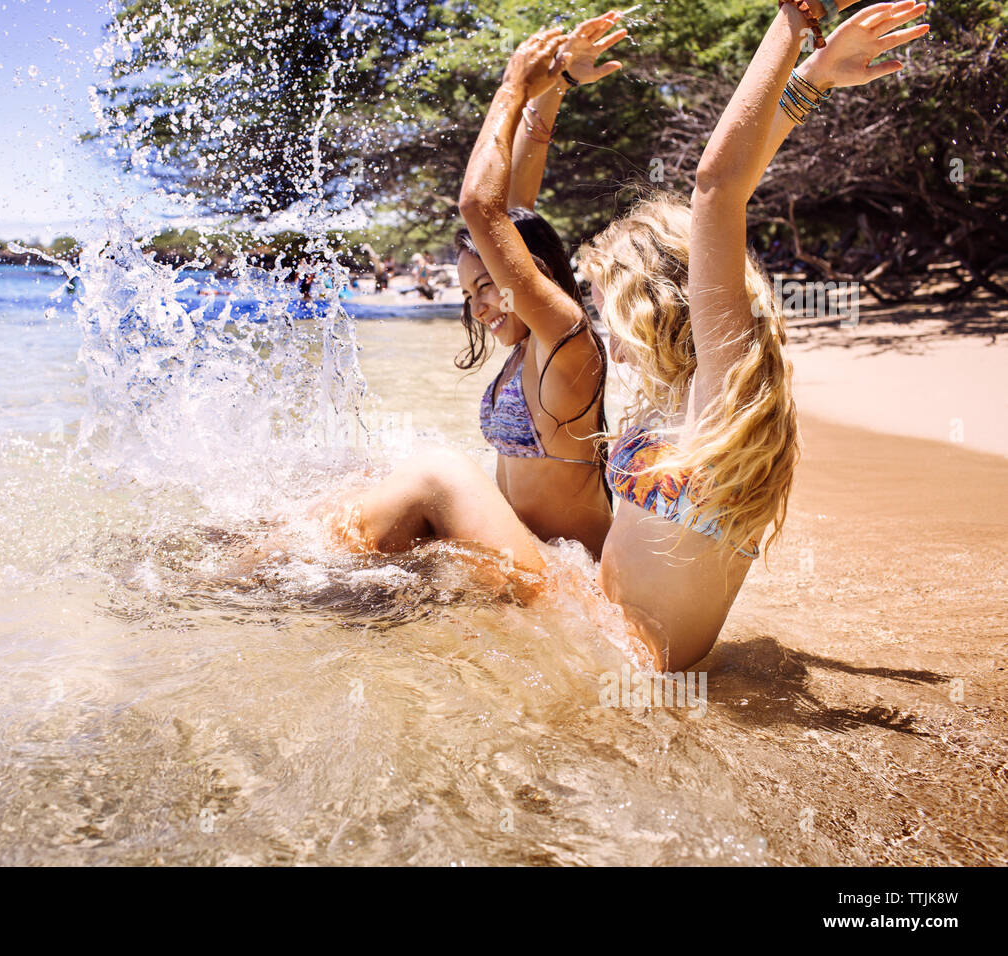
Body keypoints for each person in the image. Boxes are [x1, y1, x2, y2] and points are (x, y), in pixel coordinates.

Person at [328, 2, 929, 671]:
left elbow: (719, 189)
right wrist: (810, 79)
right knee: (392, 484)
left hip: (614, 649)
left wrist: (794, 20)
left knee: (437, 474)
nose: (604, 332)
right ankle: (306, 576)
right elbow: (524, 226)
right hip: (595, 613)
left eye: (612, 308)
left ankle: (297, 592)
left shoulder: (715, 400)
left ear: (659, 305)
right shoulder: (687, 401)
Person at [324, 10, 631, 561]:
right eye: (470, 294)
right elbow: (516, 207)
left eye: (488, 285)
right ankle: (284, 574)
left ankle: (275, 584)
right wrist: (554, 90)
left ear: (529, 269)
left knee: (437, 472)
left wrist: (514, 85)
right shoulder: (531, 347)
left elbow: (482, 206)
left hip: (567, 579)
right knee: (359, 479)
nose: (481, 305)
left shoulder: (566, 340)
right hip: (531, 556)